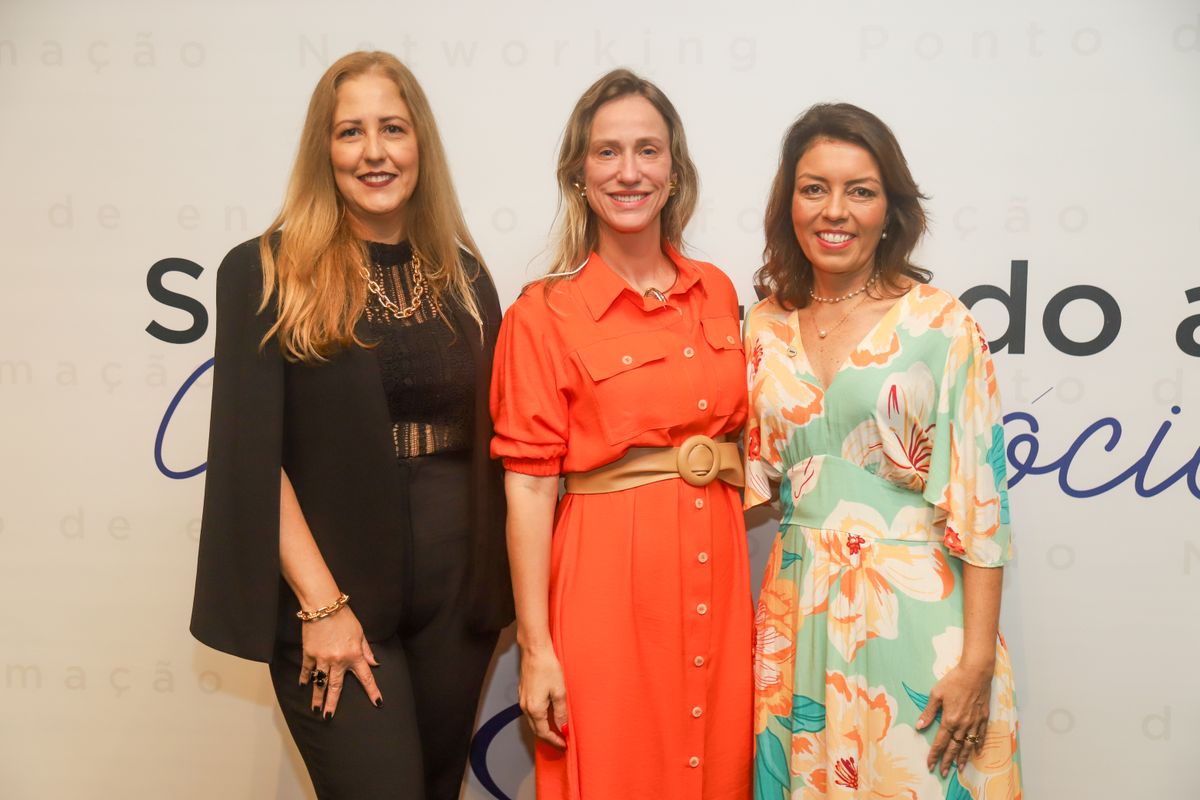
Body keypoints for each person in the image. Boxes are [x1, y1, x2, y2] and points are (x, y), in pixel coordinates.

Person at [189, 51, 513, 800]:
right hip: (329, 592)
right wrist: (323, 606)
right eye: (350, 133)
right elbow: (249, 459)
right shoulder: (264, 271)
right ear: (322, 150)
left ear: (420, 145)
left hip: (456, 596)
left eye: (393, 129)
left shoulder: (464, 278)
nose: (374, 152)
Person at [744, 103, 1022, 799]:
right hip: (797, 612)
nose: (834, 211)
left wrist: (976, 662)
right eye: (814, 188)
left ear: (890, 211)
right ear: (790, 203)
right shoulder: (762, 328)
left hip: (918, 613)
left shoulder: (941, 325)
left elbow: (981, 504)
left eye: (860, 191)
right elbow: (742, 472)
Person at [490, 69, 752, 799]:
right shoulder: (543, 314)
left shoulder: (720, 291)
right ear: (578, 175)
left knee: (717, 768)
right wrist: (536, 649)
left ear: (676, 171)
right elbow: (532, 488)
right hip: (606, 585)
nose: (629, 171)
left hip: (722, 573)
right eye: (607, 153)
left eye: (648, 150)